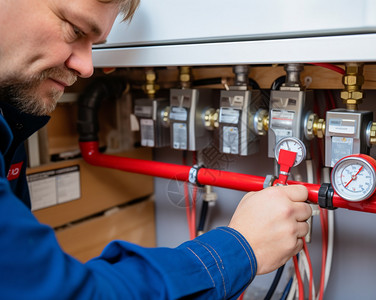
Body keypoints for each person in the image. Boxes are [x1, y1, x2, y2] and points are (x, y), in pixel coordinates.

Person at [0, 0, 312, 299]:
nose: (87, 67)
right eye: (75, 29)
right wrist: (240, 248)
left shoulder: (12, 120)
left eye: (95, 44)